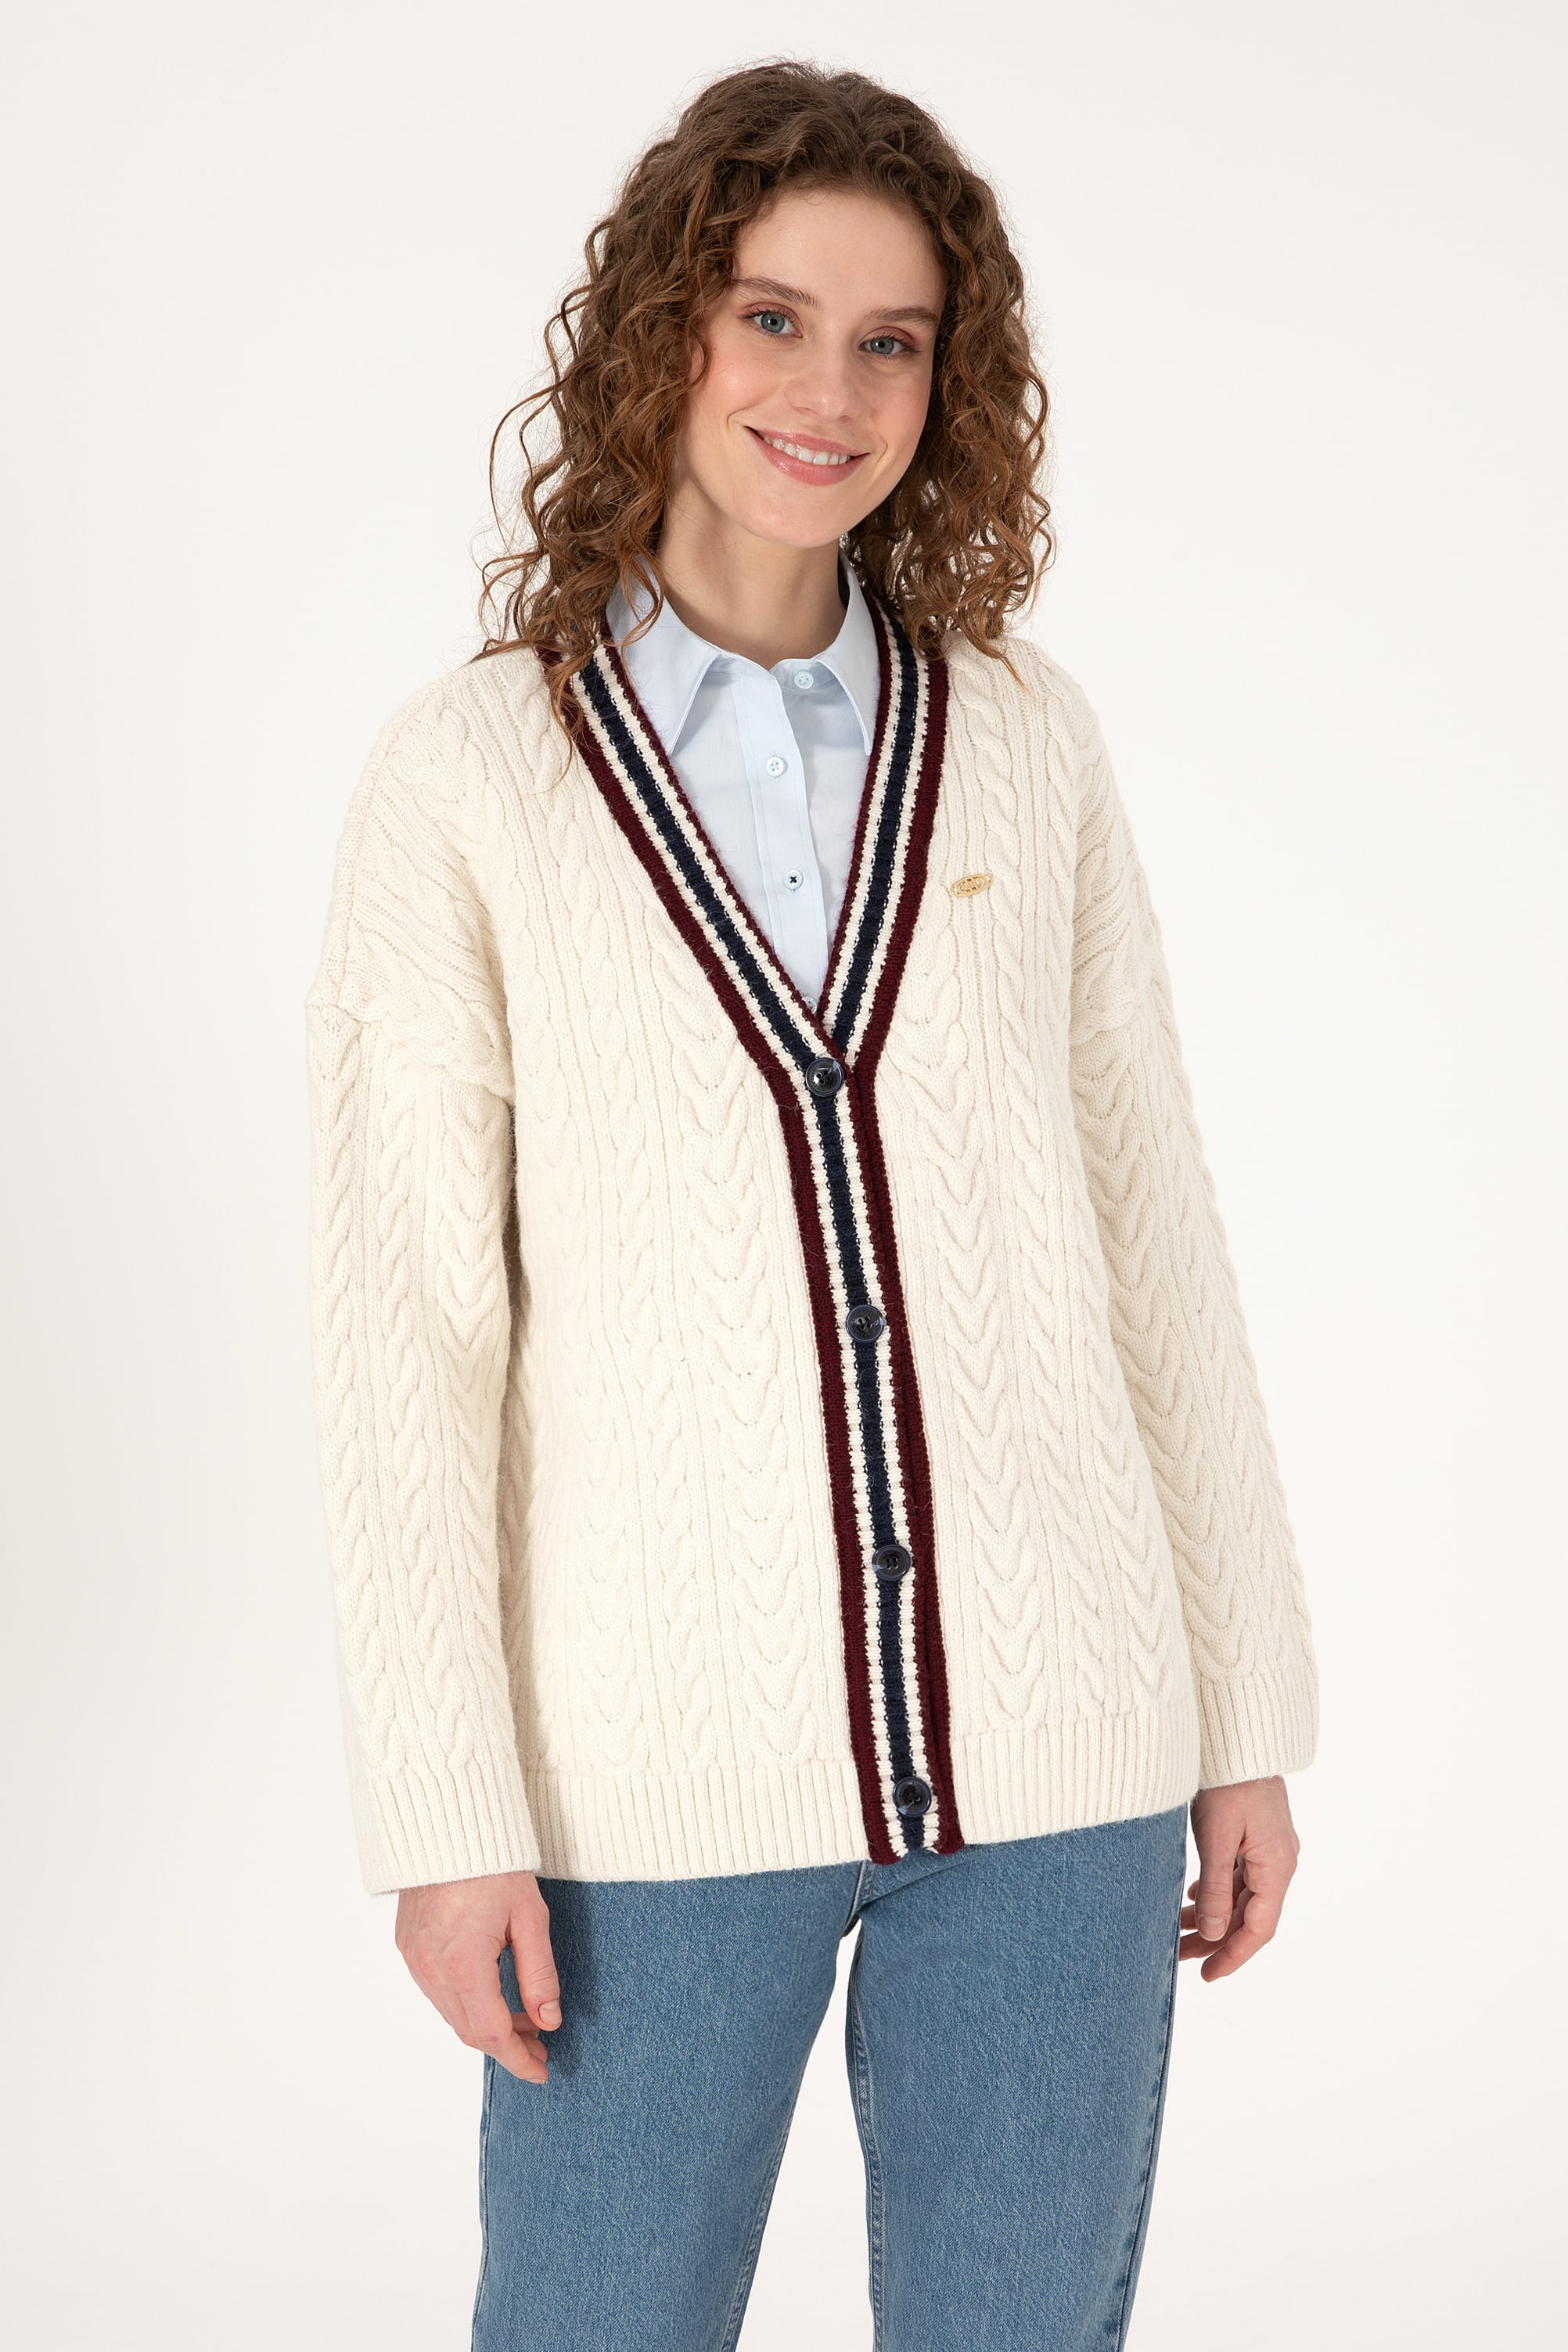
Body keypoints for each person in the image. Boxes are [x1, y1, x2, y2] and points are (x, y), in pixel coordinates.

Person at [306, 59, 1318, 2352]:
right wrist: (441, 1817)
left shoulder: (1022, 735)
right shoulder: (469, 778)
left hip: (1066, 1765)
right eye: (770, 317)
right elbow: (407, 1338)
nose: (827, 392)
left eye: (891, 341)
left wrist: (1244, 1706)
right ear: (663, 333)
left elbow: (1154, 1232)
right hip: (644, 1790)